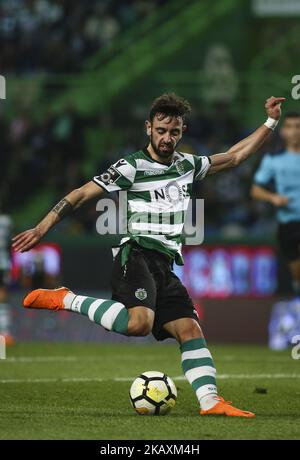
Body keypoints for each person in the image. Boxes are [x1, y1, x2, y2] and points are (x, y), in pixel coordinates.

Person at [13, 93, 285, 417]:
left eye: (174, 132)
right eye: (161, 130)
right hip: (137, 253)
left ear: (182, 131)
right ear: (148, 128)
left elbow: (236, 156)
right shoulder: (131, 167)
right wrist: (43, 229)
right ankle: (66, 298)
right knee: (140, 323)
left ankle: (211, 402)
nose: (167, 138)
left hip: (166, 265)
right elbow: (81, 193)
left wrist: (270, 121)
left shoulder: (188, 165)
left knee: (190, 329)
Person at [251, 112, 300, 301]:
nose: (295, 131)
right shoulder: (273, 160)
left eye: (298, 127)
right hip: (288, 222)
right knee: (295, 272)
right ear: (283, 132)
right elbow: (256, 190)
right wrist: (274, 198)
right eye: (290, 127)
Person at [0, 210, 14, 344]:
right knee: (2, 297)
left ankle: (4, 334)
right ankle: (5, 333)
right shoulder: (6, 220)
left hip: (3, 262)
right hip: (3, 262)